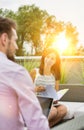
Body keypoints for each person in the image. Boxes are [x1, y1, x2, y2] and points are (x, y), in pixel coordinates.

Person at [0, 16, 50, 130]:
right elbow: (37, 124)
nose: (16, 47)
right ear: (4, 39)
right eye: (15, 40)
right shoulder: (15, 72)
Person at [30, 47, 69, 128]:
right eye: (47, 57)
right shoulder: (35, 72)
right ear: (44, 57)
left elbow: (56, 92)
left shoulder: (55, 75)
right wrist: (36, 89)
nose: (49, 60)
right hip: (36, 102)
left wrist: (56, 98)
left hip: (49, 103)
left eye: (52, 58)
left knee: (63, 109)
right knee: (53, 111)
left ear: (55, 62)